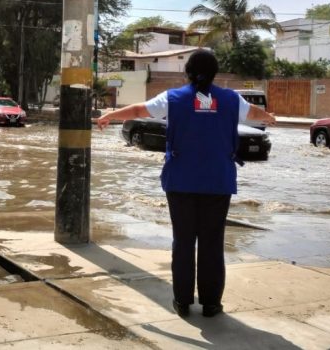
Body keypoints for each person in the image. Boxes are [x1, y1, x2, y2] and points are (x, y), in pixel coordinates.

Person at [95, 49, 276, 318]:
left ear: (187, 72)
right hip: (218, 181)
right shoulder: (231, 99)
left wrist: (109, 116)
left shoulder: (172, 98)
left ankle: (182, 302)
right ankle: (211, 304)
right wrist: (270, 118)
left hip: (180, 181)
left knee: (183, 241)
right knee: (212, 243)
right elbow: (256, 113)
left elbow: (138, 110)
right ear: (215, 73)